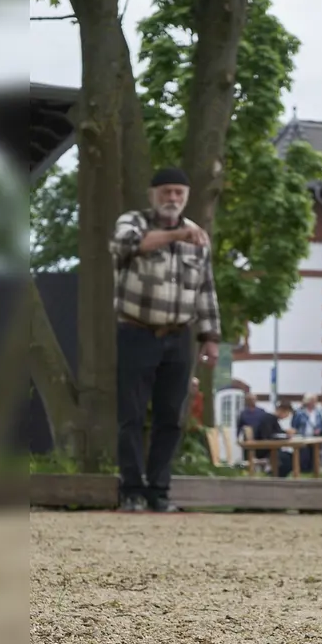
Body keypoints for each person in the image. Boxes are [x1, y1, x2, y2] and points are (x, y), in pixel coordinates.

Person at [109, 167, 222, 513]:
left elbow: (206, 289)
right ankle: (131, 489)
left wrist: (211, 336)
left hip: (179, 337)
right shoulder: (133, 222)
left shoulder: (197, 239)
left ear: (186, 197)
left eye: (179, 193)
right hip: (136, 330)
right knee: (130, 414)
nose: (172, 199)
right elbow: (123, 246)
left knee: (171, 416)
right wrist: (177, 236)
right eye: (166, 192)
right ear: (152, 194)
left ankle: (159, 490)